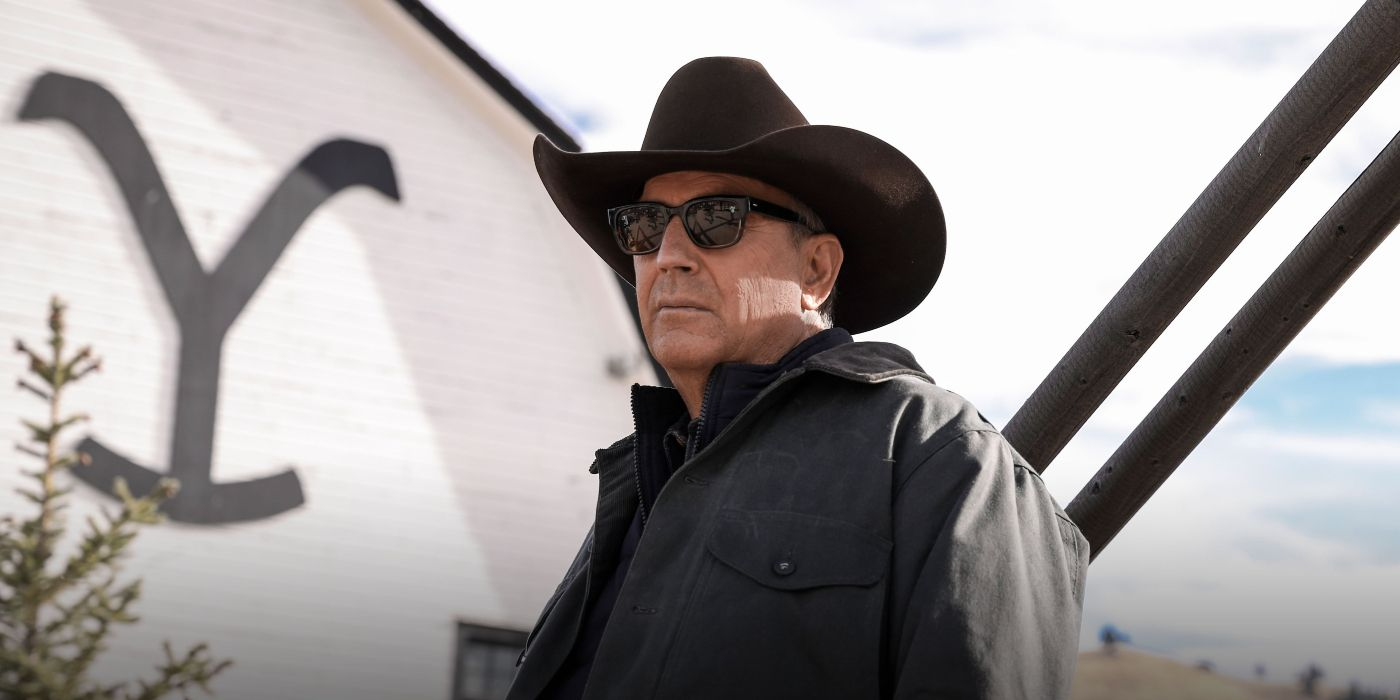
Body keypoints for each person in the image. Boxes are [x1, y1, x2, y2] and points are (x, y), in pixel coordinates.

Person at [508, 56, 1088, 700]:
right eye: (643, 227)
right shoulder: (642, 484)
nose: (667, 256)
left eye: (715, 218)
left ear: (816, 270)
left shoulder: (936, 451)